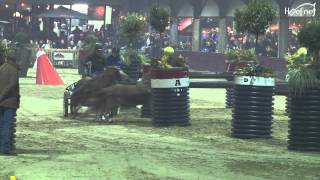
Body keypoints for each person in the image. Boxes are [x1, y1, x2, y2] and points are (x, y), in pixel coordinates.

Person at [0, 51, 20, 155]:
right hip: (9, 101)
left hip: (2, 102)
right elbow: (12, 85)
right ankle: (5, 148)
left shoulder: (2, 67)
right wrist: (3, 95)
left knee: (1, 124)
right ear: (15, 59)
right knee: (7, 125)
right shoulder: (14, 70)